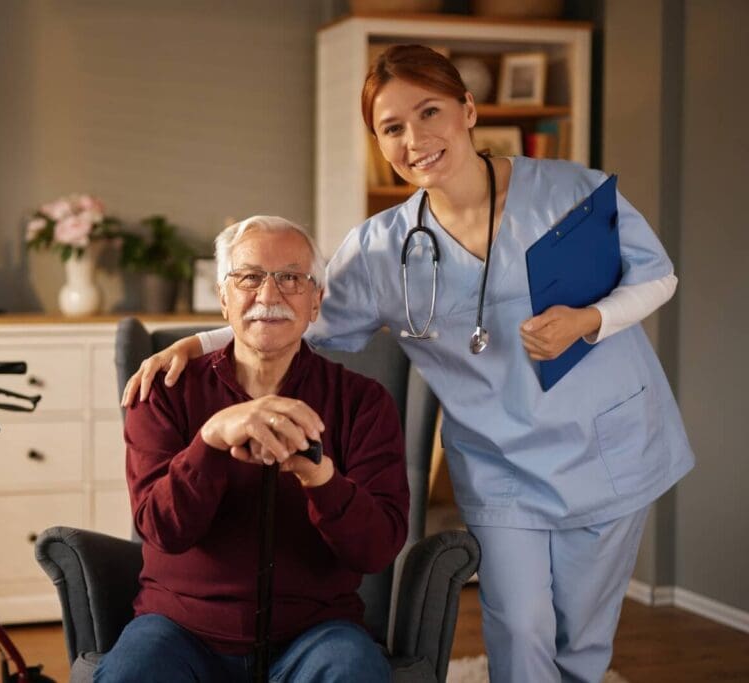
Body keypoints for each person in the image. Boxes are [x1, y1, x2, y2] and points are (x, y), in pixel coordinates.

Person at [121, 45, 695, 683]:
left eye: (430, 112)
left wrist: (590, 321)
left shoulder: (570, 191)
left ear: (468, 109)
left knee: (583, 637)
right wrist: (199, 343)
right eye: (392, 128)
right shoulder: (378, 250)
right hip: (502, 461)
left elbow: (658, 276)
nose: (414, 138)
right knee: (520, 626)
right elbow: (287, 306)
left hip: (608, 444)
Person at [96, 216, 409, 682]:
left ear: (316, 301)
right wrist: (209, 440)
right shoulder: (164, 391)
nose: (268, 295)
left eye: (290, 278)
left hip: (317, 632)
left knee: (355, 671)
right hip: (179, 629)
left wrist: (321, 480)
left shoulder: (362, 402)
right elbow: (162, 529)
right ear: (224, 298)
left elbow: (377, 549)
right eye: (249, 277)